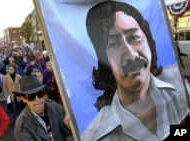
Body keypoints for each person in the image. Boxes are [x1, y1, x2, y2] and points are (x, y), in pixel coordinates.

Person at [81, 1, 189, 141]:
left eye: (134, 38)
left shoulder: (178, 84)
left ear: (148, 41)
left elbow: (183, 131)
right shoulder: (97, 135)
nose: (131, 55)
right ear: (103, 58)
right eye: (114, 44)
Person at [13, 75, 72, 141]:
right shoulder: (22, 126)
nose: (37, 99)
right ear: (23, 99)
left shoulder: (55, 107)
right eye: (31, 97)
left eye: (40, 94)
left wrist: (68, 126)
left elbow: (67, 133)